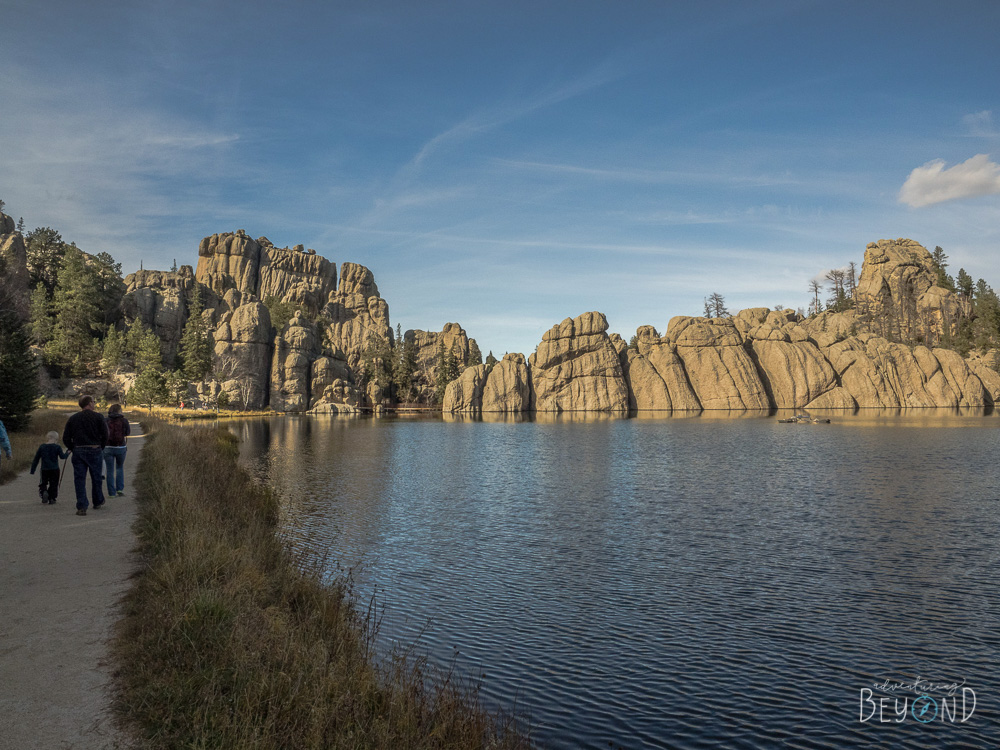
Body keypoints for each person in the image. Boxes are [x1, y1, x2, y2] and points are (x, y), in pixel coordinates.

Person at [63, 395, 109, 516]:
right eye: (94, 402)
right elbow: (105, 434)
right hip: (95, 450)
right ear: (89, 403)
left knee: (79, 479)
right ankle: (98, 500)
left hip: (78, 450)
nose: (95, 404)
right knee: (96, 478)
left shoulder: (73, 418)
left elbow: (66, 437)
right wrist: (101, 447)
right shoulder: (98, 417)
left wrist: (72, 447)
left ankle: (82, 506)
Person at [30, 431, 70, 504]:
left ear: (47, 438)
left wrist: (32, 470)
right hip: (55, 469)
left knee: (43, 483)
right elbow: (62, 457)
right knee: (54, 484)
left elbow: (36, 459)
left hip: (44, 469)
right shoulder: (57, 447)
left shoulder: (42, 447)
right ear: (57, 439)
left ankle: (44, 492)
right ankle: (52, 498)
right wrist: (68, 452)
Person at [103, 403, 131, 497]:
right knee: (119, 468)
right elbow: (128, 432)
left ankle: (111, 493)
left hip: (107, 447)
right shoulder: (124, 420)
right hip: (121, 447)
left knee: (110, 470)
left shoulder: (105, 420)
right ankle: (119, 489)